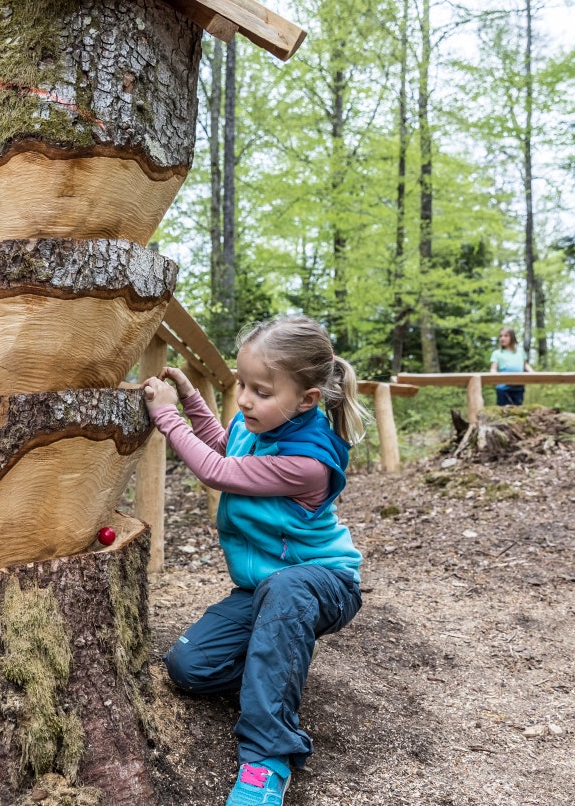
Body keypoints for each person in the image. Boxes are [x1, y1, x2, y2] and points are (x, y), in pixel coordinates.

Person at [141, 315, 368, 806]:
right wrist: (192, 401)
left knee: (286, 592)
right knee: (189, 668)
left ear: (306, 400)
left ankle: (268, 760)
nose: (244, 399)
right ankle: (275, 663)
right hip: (263, 589)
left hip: (319, 583)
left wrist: (166, 415)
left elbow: (217, 470)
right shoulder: (255, 424)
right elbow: (225, 446)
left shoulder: (307, 459)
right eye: (242, 384)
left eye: (260, 391)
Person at [489, 326, 534, 406]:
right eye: (500, 336)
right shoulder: (497, 353)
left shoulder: (520, 351)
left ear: (512, 337)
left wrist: (533, 373)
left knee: (517, 412)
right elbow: (493, 369)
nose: (502, 338)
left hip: (518, 387)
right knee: (503, 411)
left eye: (506, 336)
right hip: (503, 388)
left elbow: (525, 365)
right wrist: (494, 376)